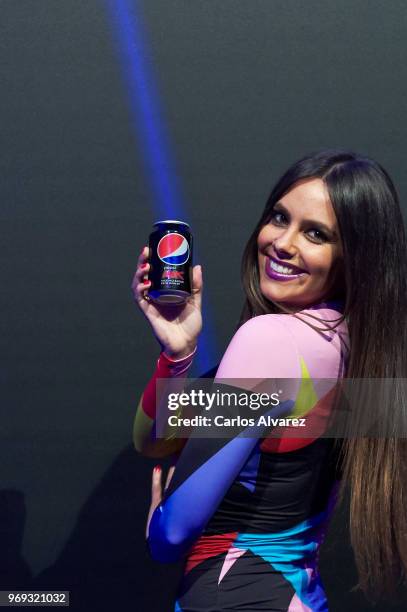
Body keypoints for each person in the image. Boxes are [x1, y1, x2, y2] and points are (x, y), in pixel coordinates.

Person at [132, 150, 407, 611]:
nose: (282, 242)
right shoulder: (357, 345)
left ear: (355, 256)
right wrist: (179, 357)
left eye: (315, 233)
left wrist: (156, 524)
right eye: (279, 217)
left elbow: (172, 534)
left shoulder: (270, 341)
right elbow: (155, 440)